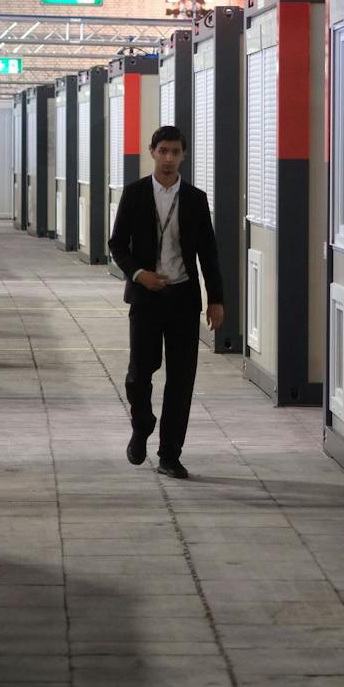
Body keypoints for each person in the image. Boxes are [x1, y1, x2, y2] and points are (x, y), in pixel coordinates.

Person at [108, 125, 225, 480]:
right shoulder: (135, 193)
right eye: (164, 151)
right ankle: (142, 424)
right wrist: (138, 273)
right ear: (152, 152)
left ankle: (170, 454)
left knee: (181, 379)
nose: (170, 158)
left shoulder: (195, 199)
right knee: (139, 374)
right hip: (146, 298)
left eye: (176, 152)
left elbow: (208, 253)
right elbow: (117, 244)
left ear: (183, 156)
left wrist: (216, 300)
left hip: (183, 298)